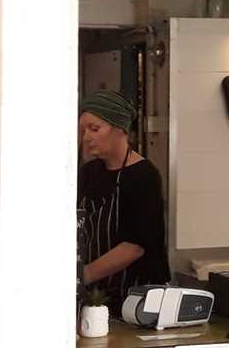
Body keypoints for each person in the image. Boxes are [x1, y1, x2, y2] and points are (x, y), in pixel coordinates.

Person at [78, 90, 169, 309]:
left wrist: (84, 275)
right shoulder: (88, 172)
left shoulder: (143, 176)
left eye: (94, 128)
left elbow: (135, 246)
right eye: (83, 130)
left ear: (119, 129)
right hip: (96, 296)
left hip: (136, 298)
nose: (86, 137)